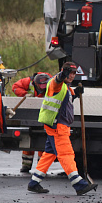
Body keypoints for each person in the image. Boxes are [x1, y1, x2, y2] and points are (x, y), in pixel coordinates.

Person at [27, 62, 97, 195]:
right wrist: (62, 74)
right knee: (66, 154)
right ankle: (79, 184)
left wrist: (76, 93)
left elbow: (67, 97)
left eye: (73, 73)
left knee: (49, 154)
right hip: (57, 126)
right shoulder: (56, 82)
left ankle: (34, 182)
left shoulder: (65, 87)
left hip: (56, 125)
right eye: (69, 73)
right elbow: (58, 80)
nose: (71, 76)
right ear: (63, 72)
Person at [12, 72, 52, 172]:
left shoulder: (51, 82)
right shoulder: (27, 82)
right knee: (28, 141)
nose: (42, 88)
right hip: (30, 113)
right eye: (40, 86)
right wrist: (25, 94)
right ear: (35, 83)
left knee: (42, 143)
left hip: (45, 113)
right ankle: (26, 165)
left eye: (44, 86)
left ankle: (41, 167)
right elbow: (15, 87)